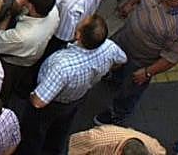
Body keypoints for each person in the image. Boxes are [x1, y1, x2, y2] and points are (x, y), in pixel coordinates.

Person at [97, 0, 178, 126]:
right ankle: (115, 77)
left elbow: (171, 58)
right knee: (116, 66)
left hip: (141, 60)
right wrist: (131, 2)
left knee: (129, 91)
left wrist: (147, 72)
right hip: (125, 38)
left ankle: (117, 113)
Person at [21, 15, 127, 155]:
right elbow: (122, 60)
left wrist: (33, 95)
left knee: (34, 134)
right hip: (77, 98)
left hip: (52, 104)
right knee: (60, 129)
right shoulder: (109, 47)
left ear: (78, 35)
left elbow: (38, 102)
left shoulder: (63, 65)